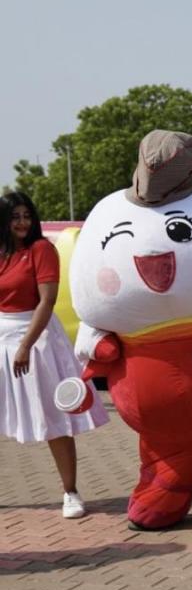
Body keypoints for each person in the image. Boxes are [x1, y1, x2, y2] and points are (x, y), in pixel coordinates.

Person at [0, 191, 108, 517]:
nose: (22, 222)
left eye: (26, 216)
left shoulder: (41, 249)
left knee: (54, 419)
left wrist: (25, 346)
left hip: (36, 338)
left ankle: (70, 492)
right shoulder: (2, 253)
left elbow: (46, 302)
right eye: (15, 217)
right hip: (2, 337)